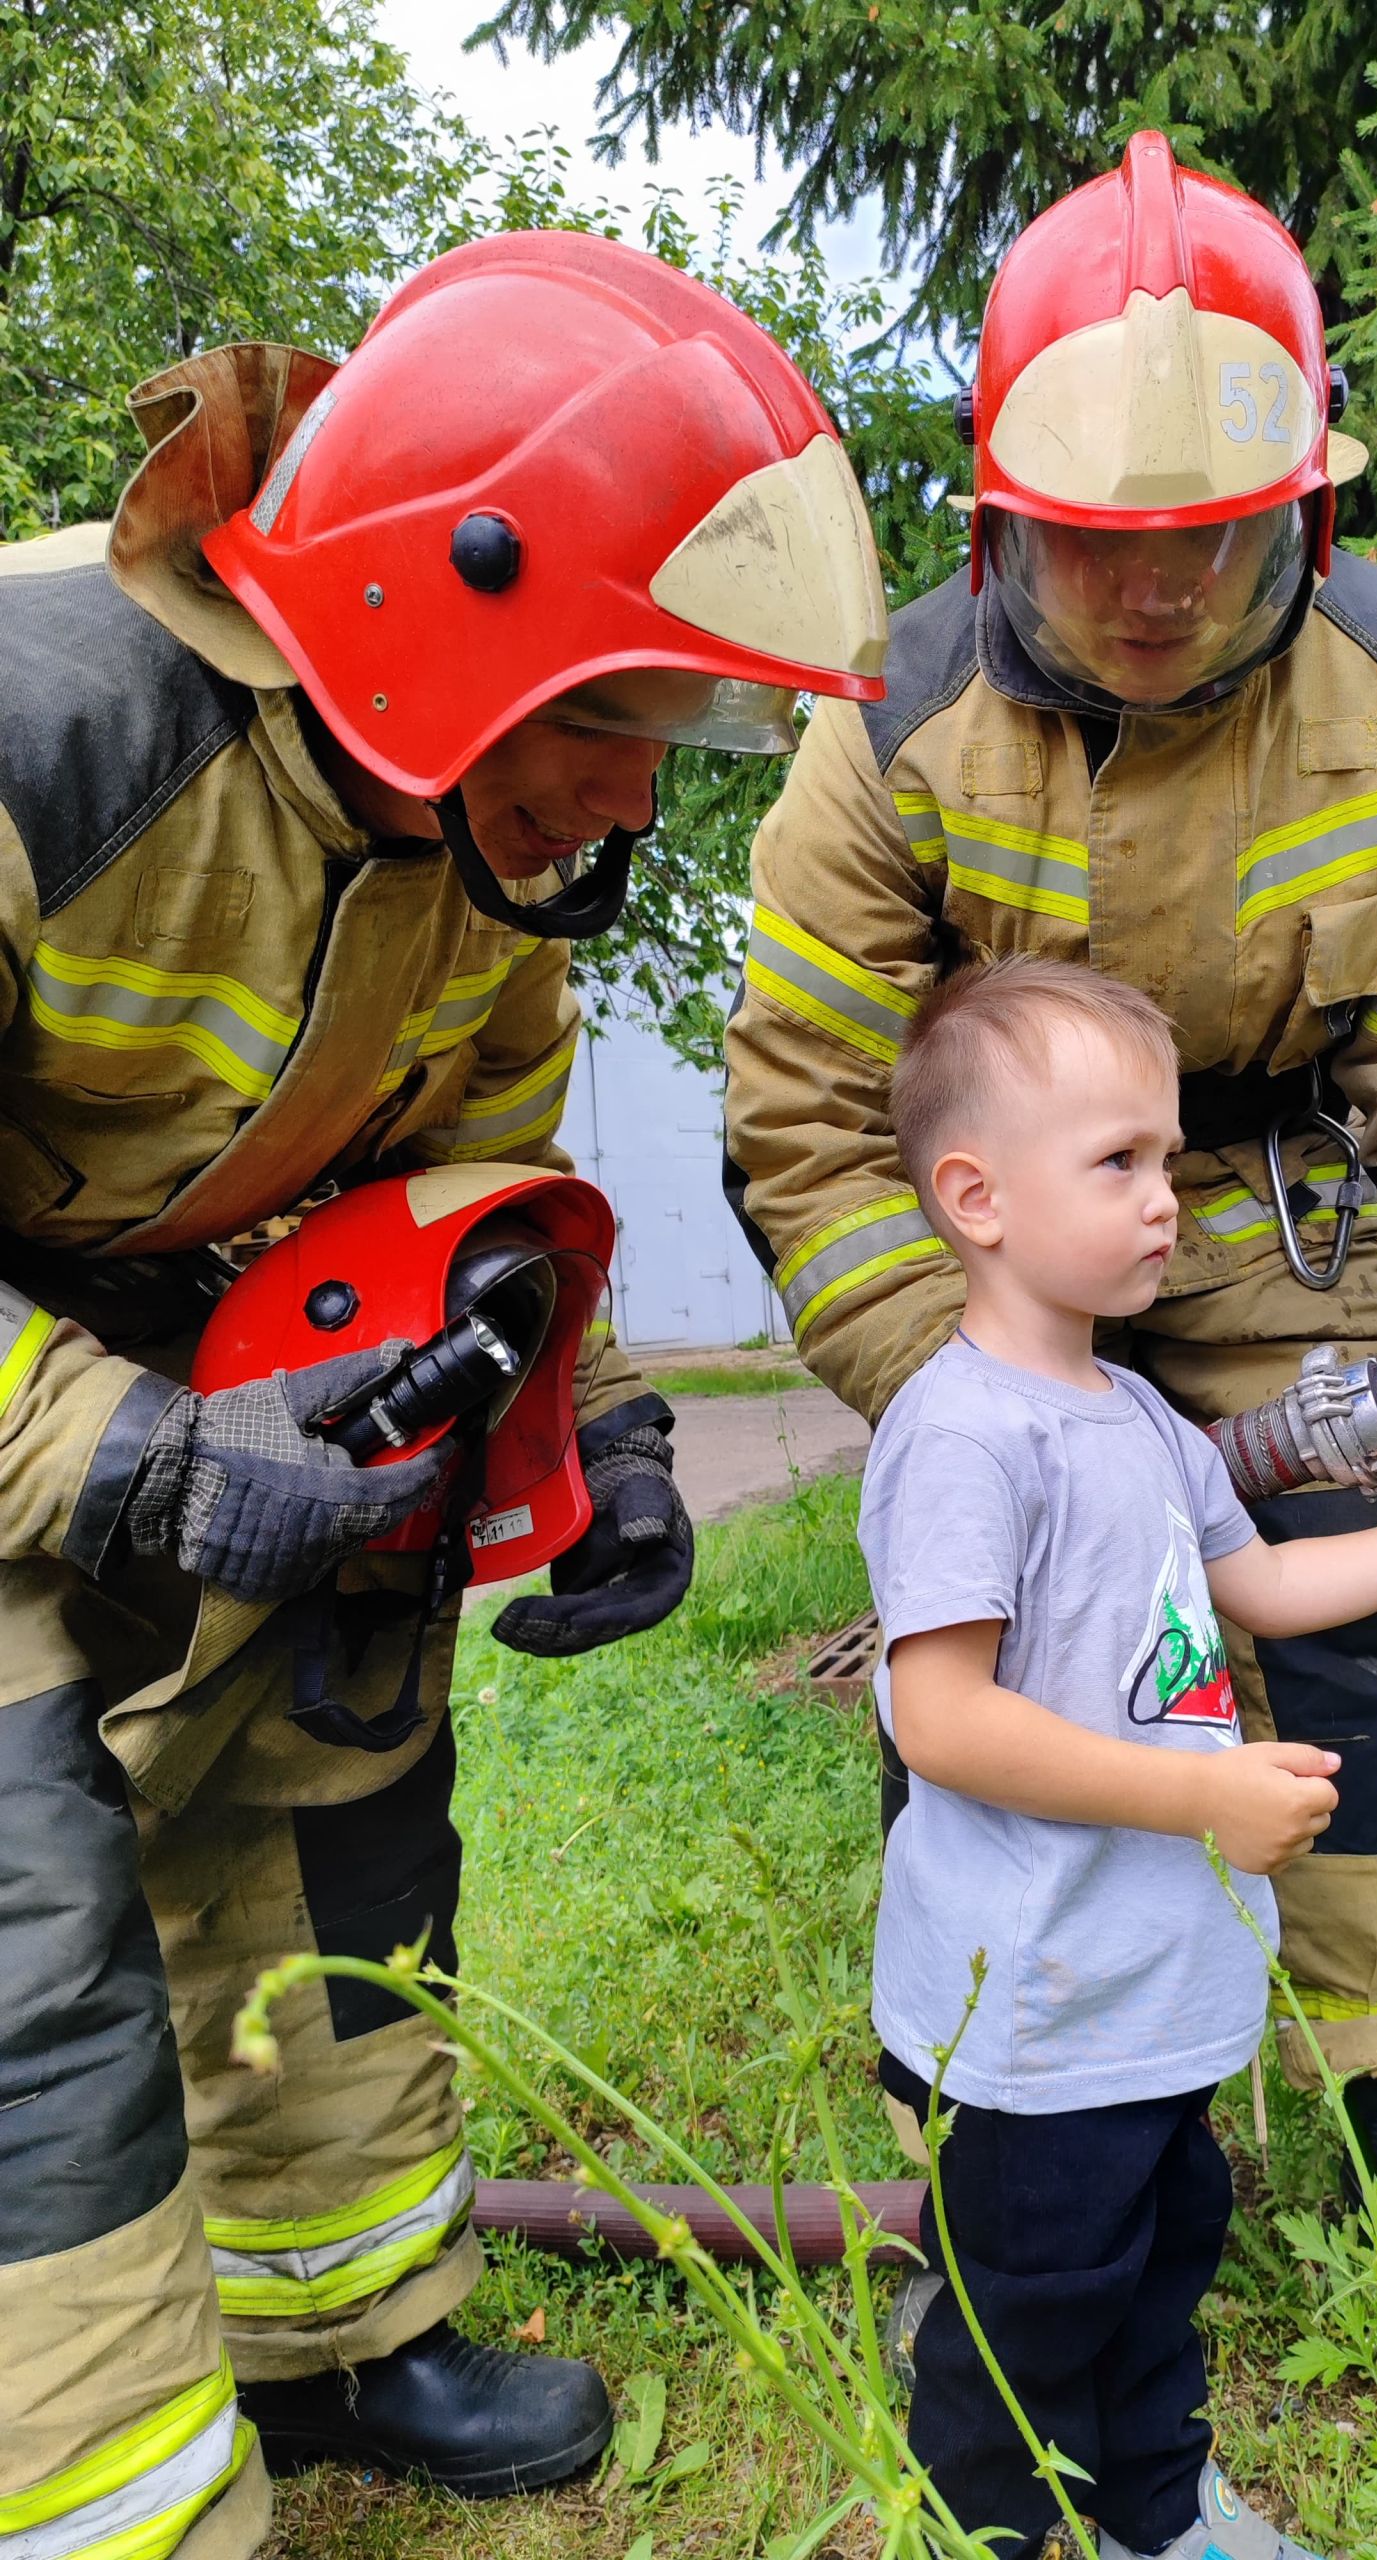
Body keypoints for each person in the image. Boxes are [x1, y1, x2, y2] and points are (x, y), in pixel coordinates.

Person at [724, 129, 1377, 2359]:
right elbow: (807, 1125)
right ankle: (982, 2105)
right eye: (1105, 551)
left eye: (1216, 540)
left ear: (1314, 509)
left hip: (1282, 1222)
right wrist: (987, 1404)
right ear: (1001, 524)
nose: (1164, 592)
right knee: (992, 1649)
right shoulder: (882, 726)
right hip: (980, 1257)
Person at [0, 232, 888, 2553]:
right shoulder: (40, 741)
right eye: (628, 712)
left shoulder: (474, 828)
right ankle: (103, 2503)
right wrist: (144, 1459)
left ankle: (340, 2331)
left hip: (175, 1323)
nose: (633, 796)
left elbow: (473, 1163)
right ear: (444, 608)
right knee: (25, 1897)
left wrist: (578, 1429)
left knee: (348, 1746)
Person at [863, 957, 1377, 2560]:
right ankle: (997, 2527)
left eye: (1169, 1157)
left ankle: (1155, 2510)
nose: (1165, 1200)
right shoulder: (964, 1434)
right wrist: (1203, 1789)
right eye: (1116, 1161)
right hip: (1034, 2003)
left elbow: (1256, 1589)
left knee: (1163, 2255)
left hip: (1146, 1990)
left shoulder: (1139, 1418)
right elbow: (944, 1719)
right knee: (1024, 2315)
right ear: (974, 1197)